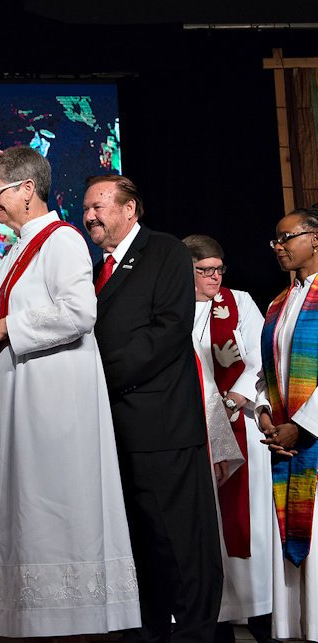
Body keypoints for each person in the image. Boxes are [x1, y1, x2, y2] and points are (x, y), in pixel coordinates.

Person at [0, 148, 140, 637]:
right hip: (24, 395)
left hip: (56, 399)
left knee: (57, 502)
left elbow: (77, 312)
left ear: (28, 189)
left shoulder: (61, 239)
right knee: (27, 504)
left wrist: (9, 326)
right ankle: (32, 618)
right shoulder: (16, 250)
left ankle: (73, 619)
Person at [85, 174, 223, 642]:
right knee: (139, 540)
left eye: (100, 206)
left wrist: (97, 378)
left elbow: (166, 332)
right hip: (116, 429)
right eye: (86, 208)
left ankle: (195, 632)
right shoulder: (92, 270)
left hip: (161, 426)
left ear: (131, 210)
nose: (90, 216)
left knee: (179, 539)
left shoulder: (163, 252)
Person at [182, 234, 272, 643]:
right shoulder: (173, 305)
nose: (215, 276)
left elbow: (258, 353)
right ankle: (213, 615)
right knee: (206, 525)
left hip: (238, 423)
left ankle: (256, 610)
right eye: (205, 270)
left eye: (219, 268)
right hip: (193, 428)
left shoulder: (240, 301)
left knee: (245, 520)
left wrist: (238, 395)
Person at [256, 206, 318, 641]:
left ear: (315, 238)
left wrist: (303, 424)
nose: (278, 247)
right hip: (284, 440)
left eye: (286, 237)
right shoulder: (280, 301)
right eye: (275, 241)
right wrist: (264, 412)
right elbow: (267, 370)